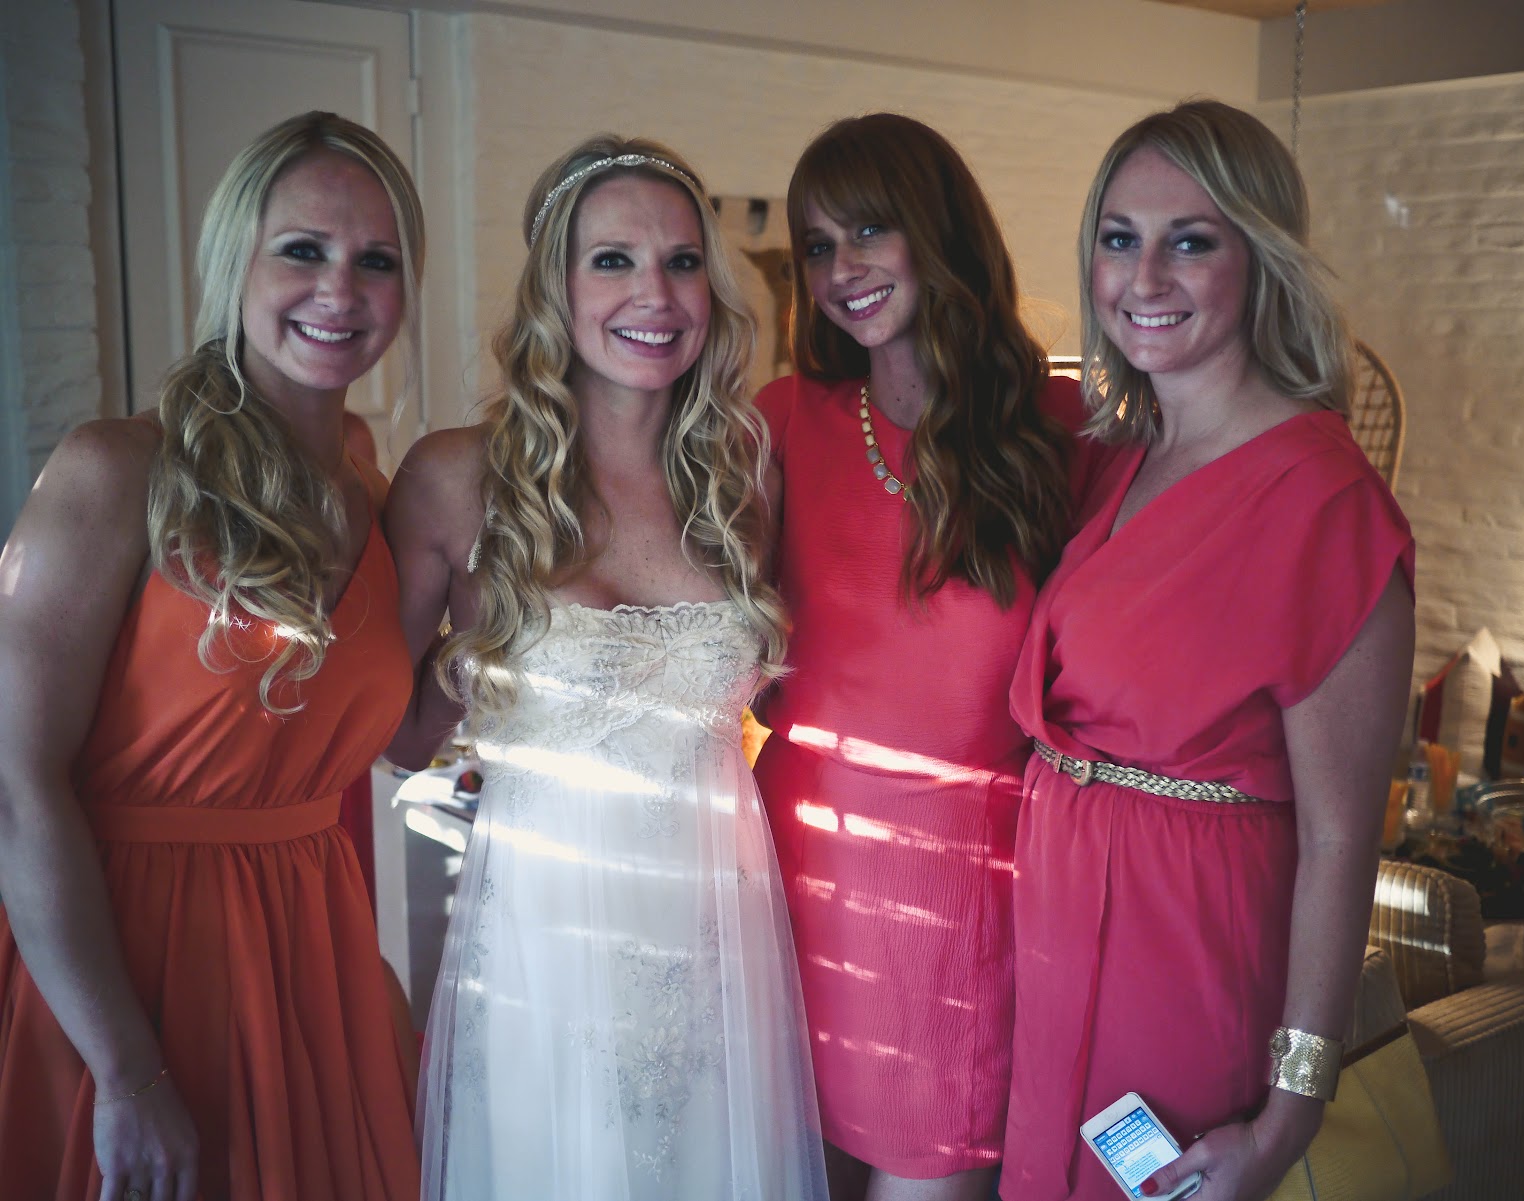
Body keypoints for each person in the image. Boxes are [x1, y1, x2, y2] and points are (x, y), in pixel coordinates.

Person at [384, 135, 828, 1201]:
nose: (655, 295)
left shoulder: (743, 478)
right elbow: (387, 734)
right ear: (556, 285)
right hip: (545, 940)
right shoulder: (457, 479)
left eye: (681, 262)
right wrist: (480, 669)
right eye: (613, 260)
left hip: (716, 934)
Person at [0, 111, 425, 1201]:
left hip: (312, 964)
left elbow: (406, 739)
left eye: (376, 260)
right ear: (234, 260)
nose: (340, 289)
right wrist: (126, 1073)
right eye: (303, 249)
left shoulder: (376, 499)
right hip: (121, 968)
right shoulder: (116, 471)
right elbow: (13, 782)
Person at [1002, 100, 1415, 1201]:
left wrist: (1290, 1113)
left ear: (1260, 258)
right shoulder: (1115, 455)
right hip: (1054, 933)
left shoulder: (1324, 500)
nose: (1144, 278)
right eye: (1119, 238)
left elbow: (1340, 838)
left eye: (1189, 242)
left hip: (1185, 951)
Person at [752, 113, 1086, 1201]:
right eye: (817, 245)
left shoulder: (1060, 429)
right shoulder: (782, 420)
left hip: (965, 897)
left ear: (938, 231)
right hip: (793, 866)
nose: (840, 269)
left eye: (869, 230)